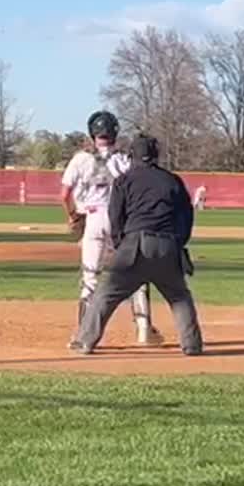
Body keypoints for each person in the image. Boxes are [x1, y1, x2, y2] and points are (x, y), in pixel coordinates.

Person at [71, 134, 203, 355]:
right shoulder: (172, 180)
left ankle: (85, 341)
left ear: (132, 155)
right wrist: (177, 243)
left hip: (134, 245)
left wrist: (123, 244)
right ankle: (192, 345)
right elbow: (186, 216)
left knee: (106, 294)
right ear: (156, 155)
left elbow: (116, 217)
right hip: (167, 245)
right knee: (180, 296)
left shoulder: (124, 180)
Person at [62, 110, 160, 346]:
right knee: (136, 274)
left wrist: (73, 215)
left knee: (90, 277)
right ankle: (144, 329)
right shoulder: (124, 160)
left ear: (92, 133)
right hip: (122, 221)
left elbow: (65, 193)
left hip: (93, 220)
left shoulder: (80, 159)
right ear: (114, 132)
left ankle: (83, 334)